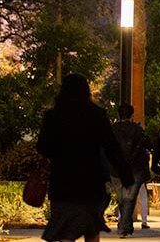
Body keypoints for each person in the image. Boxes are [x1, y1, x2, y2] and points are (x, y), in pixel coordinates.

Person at [37, 73, 133, 242]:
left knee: (64, 229)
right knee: (91, 228)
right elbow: (112, 147)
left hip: (62, 180)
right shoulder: (96, 115)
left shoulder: (53, 116)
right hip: (90, 181)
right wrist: (126, 176)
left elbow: (43, 147)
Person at [111, 103, 151, 237]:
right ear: (131, 115)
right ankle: (124, 226)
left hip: (116, 169)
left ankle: (124, 225)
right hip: (135, 168)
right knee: (130, 198)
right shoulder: (138, 129)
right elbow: (148, 145)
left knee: (122, 198)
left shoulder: (112, 129)